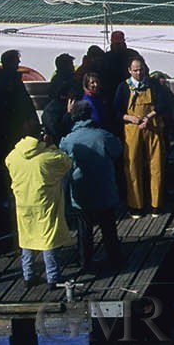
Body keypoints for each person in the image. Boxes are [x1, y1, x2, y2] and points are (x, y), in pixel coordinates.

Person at [59, 100, 124, 273]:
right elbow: (117, 150)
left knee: (84, 229)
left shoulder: (68, 140)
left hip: (81, 191)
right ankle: (115, 259)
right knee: (108, 227)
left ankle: (85, 262)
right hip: (104, 188)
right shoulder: (103, 135)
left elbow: (62, 158)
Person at [5, 122, 73, 286]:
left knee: (27, 238)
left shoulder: (13, 155)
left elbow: (8, 163)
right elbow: (66, 162)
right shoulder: (47, 157)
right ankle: (53, 277)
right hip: (44, 202)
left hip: (23, 202)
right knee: (48, 239)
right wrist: (52, 146)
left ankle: (28, 275)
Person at [114, 55, 174, 214]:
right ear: (129, 70)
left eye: (141, 69)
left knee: (156, 165)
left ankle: (157, 204)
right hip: (132, 129)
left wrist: (149, 117)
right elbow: (116, 111)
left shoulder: (153, 84)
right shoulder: (123, 87)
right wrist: (130, 118)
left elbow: (163, 105)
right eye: (135, 70)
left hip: (152, 127)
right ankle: (136, 205)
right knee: (132, 165)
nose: (139, 73)